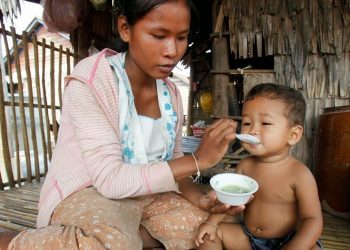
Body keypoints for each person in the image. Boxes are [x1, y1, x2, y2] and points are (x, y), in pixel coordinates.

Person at [8, 0, 243, 249]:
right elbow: (110, 180)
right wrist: (198, 160)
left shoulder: (171, 93)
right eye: (159, 35)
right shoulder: (91, 79)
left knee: (217, 226)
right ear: (125, 29)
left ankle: (136, 233)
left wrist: (202, 200)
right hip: (90, 192)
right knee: (114, 243)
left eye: (182, 37)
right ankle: (12, 243)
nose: (172, 51)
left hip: (149, 196)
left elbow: (176, 168)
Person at [195, 83, 323, 250]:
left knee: (311, 247)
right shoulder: (245, 166)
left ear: (293, 135)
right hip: (249, 238)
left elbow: (312, 219)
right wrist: (211, 223)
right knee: (209, 237)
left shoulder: (299, 174)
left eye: (266, 123)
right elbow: (228, 201)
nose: (253, 130)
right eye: (247, 123)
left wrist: (295, 247)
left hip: (288, 240)